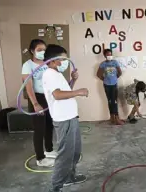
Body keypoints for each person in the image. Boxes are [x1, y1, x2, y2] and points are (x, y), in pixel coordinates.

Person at [42, 44, 88, 192]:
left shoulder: (56, 73)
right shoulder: (49, 73)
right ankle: (56, 186)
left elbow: (63, 90)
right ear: (53, 60)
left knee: (75, 151)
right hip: (63, 119)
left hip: (71, 117)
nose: (64, 62)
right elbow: (57, 95)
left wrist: (73, 81)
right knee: (65, 154)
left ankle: (69, 177)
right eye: (62, 59)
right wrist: (78, 92)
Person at [21, 39, 56, 167]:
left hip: (48, 97)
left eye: (44, 50)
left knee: (49, 125)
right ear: (32, 51)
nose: (42, 52)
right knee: (39, 129)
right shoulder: (28, 65)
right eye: (39, 50)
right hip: (37, 98)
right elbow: (28, 86)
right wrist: (35, 103)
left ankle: (49, 150)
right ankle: (40, 159)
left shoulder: (47, 63)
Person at [96, 49, 124, 125]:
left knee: (114, 101)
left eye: (110, 54)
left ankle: (117, 118)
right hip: (106, 85)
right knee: (110, 101)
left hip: (114, 85)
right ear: (105, 56)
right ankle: (112, 117)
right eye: (108, 54)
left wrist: (115, 78)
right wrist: (104, 79)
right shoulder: (103, 64)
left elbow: (120, 72)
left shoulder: (115, 62)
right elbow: (98, 74)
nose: (109, 56)